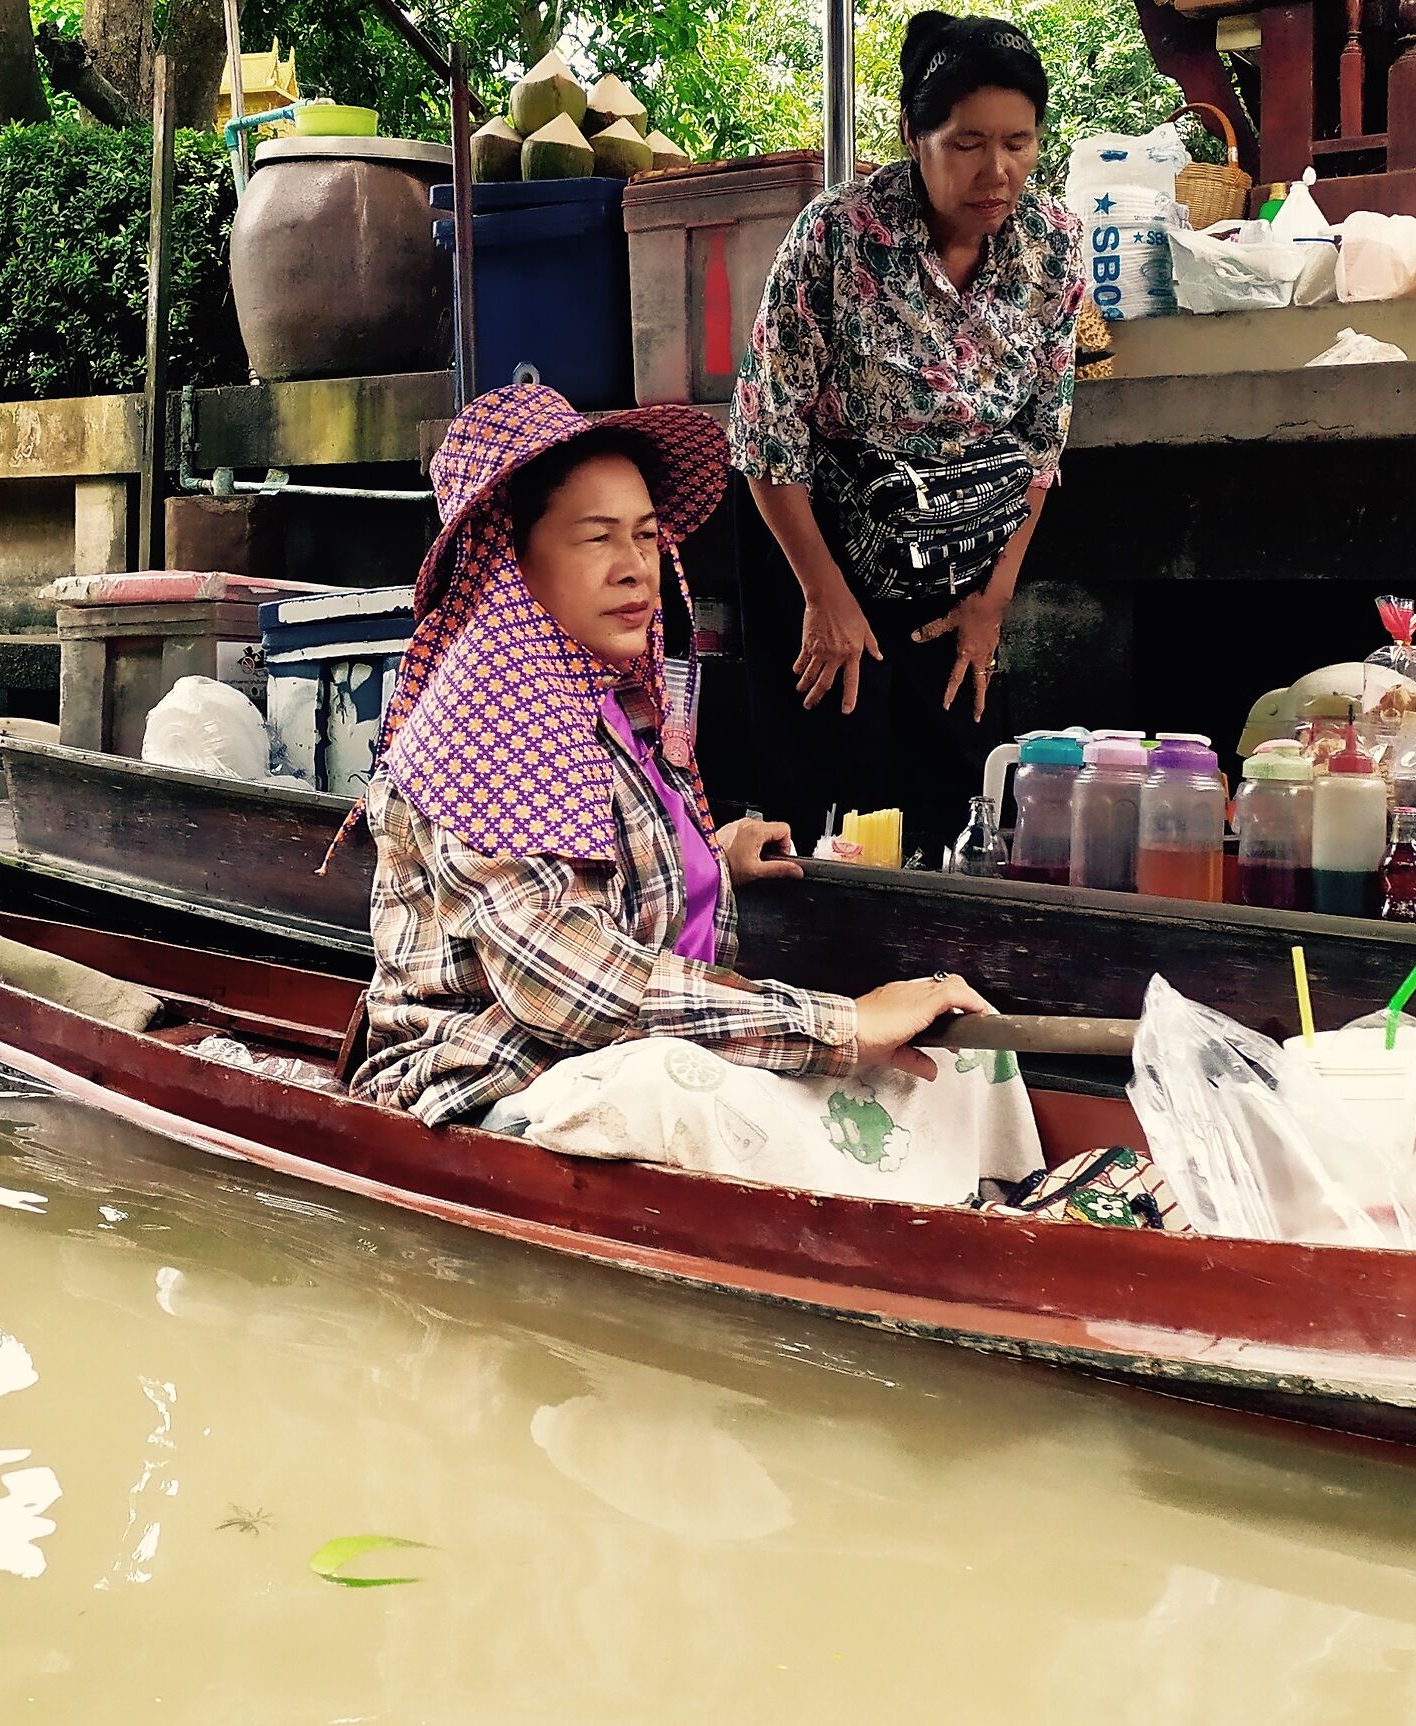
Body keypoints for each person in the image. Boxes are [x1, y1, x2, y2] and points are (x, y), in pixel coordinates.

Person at [349, 385, 1039, 1200]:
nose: (636, 566)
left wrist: (706, 859)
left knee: (963, 1061)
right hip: (499, 1088)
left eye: (646, 536)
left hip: (612, 1053)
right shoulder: (487, 723)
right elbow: (574, 990)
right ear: (511, 559)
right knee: (681, 1086)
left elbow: (589, 863)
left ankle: (1005, 1214)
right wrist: (842, 1026)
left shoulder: (608, 694)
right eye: (597, 538)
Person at [730, 10, 1086, 854]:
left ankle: (938, 969)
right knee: (830, 776)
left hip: (960, 547)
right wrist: (825, 598)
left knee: (959, 774)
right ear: (912, 136)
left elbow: (1041, 445)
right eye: (967, 142)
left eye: (1019, 141)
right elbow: (766, 433)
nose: (997, 170)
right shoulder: (837, 235)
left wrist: (991, 603)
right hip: (817, 537)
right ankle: (818, 975)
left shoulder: (1053, 246)